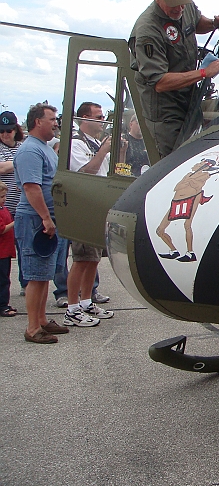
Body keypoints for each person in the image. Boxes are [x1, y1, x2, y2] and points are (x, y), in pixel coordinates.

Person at [128, 0, 219, 158]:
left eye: (183, 2)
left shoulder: (185, 6)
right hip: (166, 111)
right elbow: (160, 83)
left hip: (189, 98)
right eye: (173, 4)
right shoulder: (148, 30)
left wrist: (215, 23)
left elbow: (196, 22)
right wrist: (203, 73)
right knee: (176, 162)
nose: (179, 9)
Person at [14, 103, 70, 343]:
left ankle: (42, 320)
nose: (56, 123)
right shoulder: (29, 152)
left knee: (44, 274)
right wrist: (46, 218)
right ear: (38, 122)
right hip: (34, 220)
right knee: (35, 276)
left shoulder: (44, 148)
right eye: (52, 119)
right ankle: (32, 328)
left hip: (46, 219)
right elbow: (31, 187)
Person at [64, 102, 118, 327]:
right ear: (84, 118)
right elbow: (86, 172)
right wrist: (103, 151)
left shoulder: (97, 143)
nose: (103, 120)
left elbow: (108, 170)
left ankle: (86, 300)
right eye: (98, 116)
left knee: (93, 259)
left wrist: (117, 150)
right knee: (82, 258)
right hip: (83, 207)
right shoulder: (76, 144)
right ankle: (72, 307)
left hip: (99, 206)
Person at [0, 111, 24, 294]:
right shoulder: (21, 152)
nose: (5, 134)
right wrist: (20, 163)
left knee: (24, 249)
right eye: (1, 131)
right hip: (4, 210)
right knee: (4, 254)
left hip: (22, 206)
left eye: (9, 130)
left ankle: (26, 284)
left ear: (16, 130)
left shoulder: (23, 146)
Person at [0, 181, 16, 317]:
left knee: (5, 277)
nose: (4, 199)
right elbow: (2, 229)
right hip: (1, 252)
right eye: (1, 197)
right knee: (3, 280)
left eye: (5, 196)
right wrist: (15, 223)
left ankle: (4, 303)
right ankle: (2, 305)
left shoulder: (4, 209)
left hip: (6, 251)